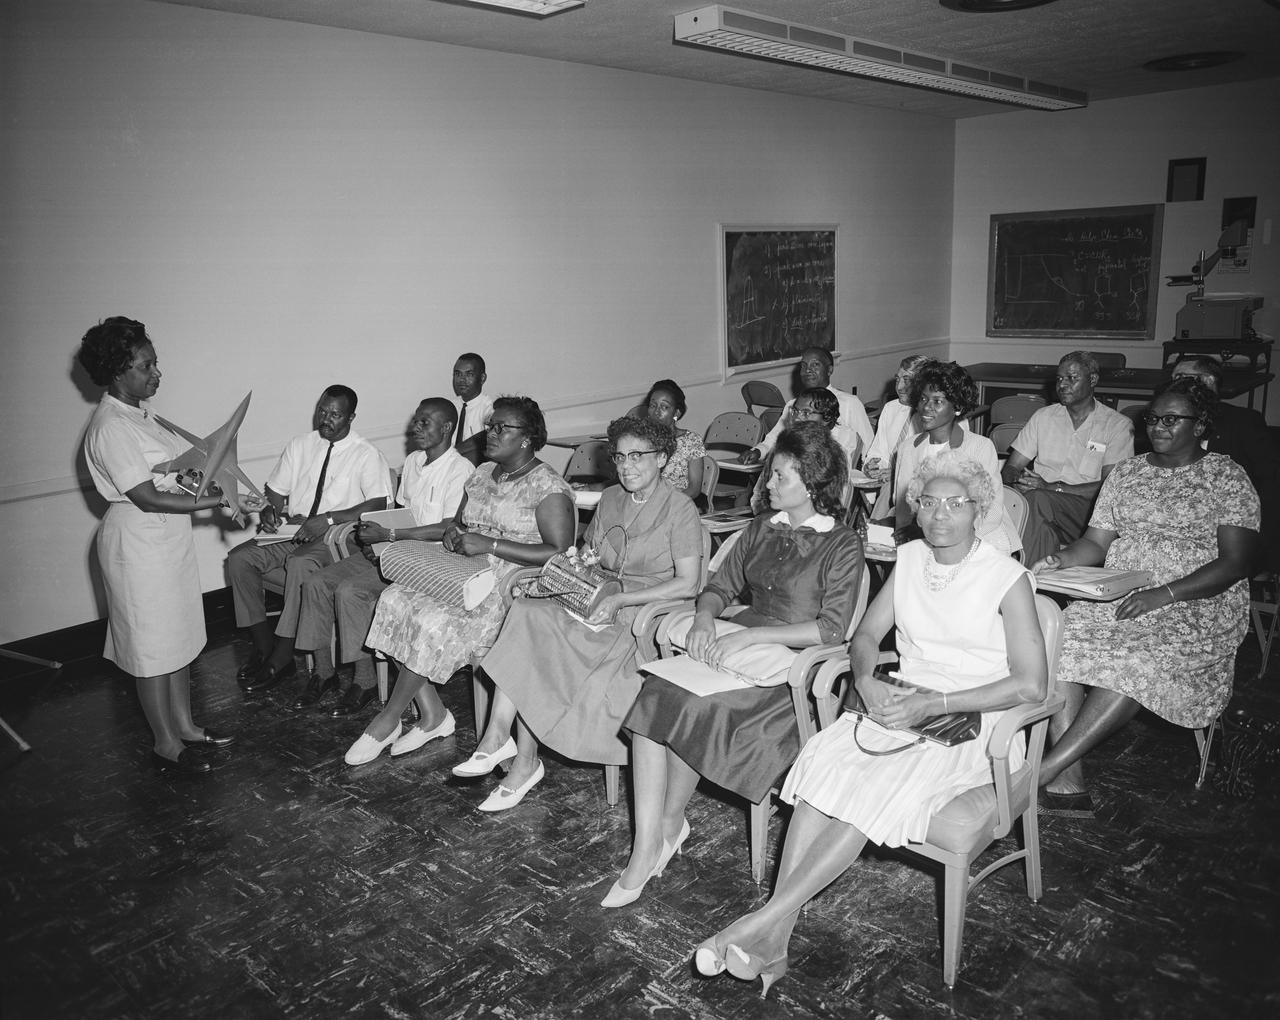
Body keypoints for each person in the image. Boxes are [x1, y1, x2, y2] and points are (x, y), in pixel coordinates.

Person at [692, 456, 1047, 994]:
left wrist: (937, 703)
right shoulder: (907, 561)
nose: (940, 514)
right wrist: (868, 677)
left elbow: (1031, 685)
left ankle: (759, 922)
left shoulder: (1007, 578)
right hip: (901, 705)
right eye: (929, 502)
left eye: (956, 504)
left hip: (975, 722)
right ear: (915, 507)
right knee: (822, 766)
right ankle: (776, 940)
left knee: (870, 789)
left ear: (980, 509)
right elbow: (863, 638)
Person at [609, 422, 863, 908]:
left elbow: (831, 630)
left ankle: (665, 828)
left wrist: (753, 634)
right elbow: (718, 586)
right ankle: (651, 843)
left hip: (793, 675)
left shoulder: (841, 543)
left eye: (780, 477)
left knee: (692, 705)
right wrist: (704, 618)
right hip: (738, 647)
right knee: (656, 700)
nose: (768, 484)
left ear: (810, 484)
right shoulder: (761, 528)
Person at [1032, 378, 1260, 814]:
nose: (1157, 426)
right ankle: (1068, 783)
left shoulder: (1226, 477)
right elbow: (1096, 545)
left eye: (1171, 419)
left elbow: (1237, 562)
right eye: (1152, 418)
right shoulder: (1127, 473)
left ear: (1201, 425)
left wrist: (1165, 594)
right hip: (1123, 593)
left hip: (1198, 604)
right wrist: (1061, 559)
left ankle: (1042, 771)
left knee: (1136, 661)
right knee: (1056, 639)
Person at [465, 415, 703, 810]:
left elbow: (689, 584)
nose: (626, 466)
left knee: (540, 649)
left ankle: (522, 762)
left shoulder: (680, 509)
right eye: (620, 457)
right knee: (529, 611)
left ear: (662, 459)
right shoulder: (610, 497)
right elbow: (592, 555)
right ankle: (497, 736)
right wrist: (563, 577)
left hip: (643, 613)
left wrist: (621, 600)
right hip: (598, 597)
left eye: (637, 456)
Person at [342, 396, 575, 766]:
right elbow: (461, 523)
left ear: (528, 438)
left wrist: (492, 544)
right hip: (463, 570)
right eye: (490, 426)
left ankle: (388, 720)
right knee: (396, 599)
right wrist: (456, 534)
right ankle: (434, 716)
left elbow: (560, 553)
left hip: (511, 587)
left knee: (433, 621)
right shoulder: (483, 473)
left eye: (502, 428)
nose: (491, 434)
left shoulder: (547, 487)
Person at [78, 317, 259, 775]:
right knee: (151, 649)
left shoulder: (142, 415)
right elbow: (145, 495)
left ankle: (187, 726)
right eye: (146, 365)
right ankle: (165, 741)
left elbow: (177, 474)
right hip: (137, 543)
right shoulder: (111, 425)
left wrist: (233, 492)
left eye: (155, 362)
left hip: (163, 541)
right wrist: (218, 499)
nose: (156, 372)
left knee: (175, 640)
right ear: (118, 371)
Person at [291, 397, 475, 715]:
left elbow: (447, 528)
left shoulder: (460, 470)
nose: (414, 427)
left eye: (424, 422)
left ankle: (363, 681)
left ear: (446, 427)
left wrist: (389, 537)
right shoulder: (415, 463)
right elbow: (399, 512)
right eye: (415, 420)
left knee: (350, 591)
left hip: (427, 562)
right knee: (316, 582)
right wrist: (374, 539)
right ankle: (324, 673)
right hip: (393, 549)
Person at [227, 385, 393, 692]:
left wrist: (328, 519)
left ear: (351, 417)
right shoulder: (300, 444)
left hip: (336, 536)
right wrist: (270, 511)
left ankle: (283, 653)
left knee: (300, 563)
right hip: (294, 529)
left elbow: (379, 504)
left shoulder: (366, 454)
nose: (325, 419)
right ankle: (263, 646)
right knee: (239, 559)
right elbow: (276, 491)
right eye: (322, 410)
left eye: (335, 414)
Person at [1001, 351, 1134, 565]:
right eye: (1059, 379)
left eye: (1072, 378)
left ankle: (1015, 579)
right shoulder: (1043, 417)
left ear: (1093, 380)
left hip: (1088, 514)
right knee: (1042, 529)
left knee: (1036, 500)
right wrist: (1018, 480)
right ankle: (1040, 586)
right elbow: (1011, 467)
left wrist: (1050, 487)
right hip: (1041, 509)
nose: (1062, 385)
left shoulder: (1117, 425)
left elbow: (1111, 489)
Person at [891, 361, 1015, 554]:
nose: (926, 407)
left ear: (956, 406)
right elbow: (903, 508)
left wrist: (944, 539)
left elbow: (991, 511)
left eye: (937, 401)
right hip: (924, 537)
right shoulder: (909, 448)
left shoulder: (979, 447)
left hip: (977, 539)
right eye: (923, 399)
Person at [1169, 355, 1278, 573]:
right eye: (1174, 377)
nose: (1176, 384)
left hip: (1229, 526)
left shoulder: (1243, 422)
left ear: (1209, 381)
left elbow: (1270, 483)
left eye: (1183, 377)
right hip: (1177, 519)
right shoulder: (1167, 422)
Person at [738, 347, 873, 468]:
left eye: (815, 365)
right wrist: (757, 451)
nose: (808, 370)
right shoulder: (793, 405)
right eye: (804, 366)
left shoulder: (849, 403)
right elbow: (775, 438)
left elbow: (868, 445)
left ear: (829, 370)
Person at [749, 388, 855, 515]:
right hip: (774, 519)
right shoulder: (782, 450)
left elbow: (835, 502)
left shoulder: (834, 456)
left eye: (806, 412)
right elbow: (759, 496)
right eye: (795, 411)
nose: (797, 418)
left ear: (826, 419)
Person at [643, 379, 706, 501]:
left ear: (676, 412)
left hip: (677, 504)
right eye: (652, 405)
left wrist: (664, 503)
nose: (656, 412)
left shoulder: (691, 441)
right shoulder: (641, 439)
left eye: (664, 407)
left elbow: (694, 489)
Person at [452, 352, 495, 466]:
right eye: (458, 374)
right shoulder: (450, 407)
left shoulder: (489, 408)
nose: (462, 379)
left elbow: (488, 437)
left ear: (482, 378)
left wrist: (450, 456)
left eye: (469, 374)